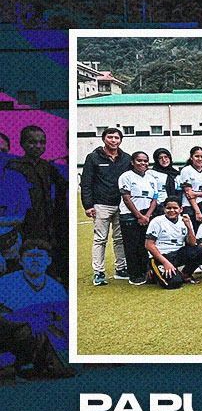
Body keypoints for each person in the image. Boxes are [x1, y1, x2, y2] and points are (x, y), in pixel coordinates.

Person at [0, 241, 73, 380]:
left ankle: (42, 365)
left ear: (49, 261)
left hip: (43, 335)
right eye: (30, 256)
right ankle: (17, 363)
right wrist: (28, 321)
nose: (35, 260)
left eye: (40, 256)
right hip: (13, 334)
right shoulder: (6, 283)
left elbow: (63, 319)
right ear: (20, 261)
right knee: (27, 331)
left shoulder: (56, 288)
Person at [7, 126, 67, 277]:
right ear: (22, 144)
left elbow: (62, 191)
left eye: (42, 142)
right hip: (23, 227)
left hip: (48, 226)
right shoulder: (14, 167)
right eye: (32, 142)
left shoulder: (48, 167)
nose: (38, 146)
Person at [81, 127, 131, 286]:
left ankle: (121, 268)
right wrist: (88, 205)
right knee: (100, 239)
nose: (114, 140)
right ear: (104, 139)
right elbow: (86, 183)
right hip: (101, 204)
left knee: (120, 239)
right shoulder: (93, 158)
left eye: (117, 138)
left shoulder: (126, 158)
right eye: (110, 137)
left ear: (120, 140)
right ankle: (99, 272)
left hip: (122, 205)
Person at [117, 151, 160, 285]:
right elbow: (126, 198)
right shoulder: (126, 176)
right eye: (139, 160)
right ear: (132, 162)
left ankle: (146, 272)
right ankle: (134, 275)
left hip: (147, 215)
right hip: (130, 216)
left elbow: (154, 199)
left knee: (145, 246)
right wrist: (139, 216)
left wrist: (147, 215)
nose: (143, 163)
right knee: (132, 246)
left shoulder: (151, 178)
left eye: (145, 161)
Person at [145, 197, 202, 288]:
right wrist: (166, 263)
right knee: (174, 283)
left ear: (181, 209)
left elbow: (193, 243)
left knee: (200, 250)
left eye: (175, 208)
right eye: (169, 208)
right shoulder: (157, 222)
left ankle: (185, 274)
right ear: (164, 209)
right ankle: (154, 273)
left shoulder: (184, 221)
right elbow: (148, 245)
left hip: (177, 254)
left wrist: (189, 227)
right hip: (161, 256)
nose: (172, 210)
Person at [178, 146, 202, 231]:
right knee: (192, 231)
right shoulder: (186, 170)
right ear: (191, 157)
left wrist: (196, 193)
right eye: (197, 156)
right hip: (189, 206)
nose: (200, 159)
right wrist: (197, 212)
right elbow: (188, 194)